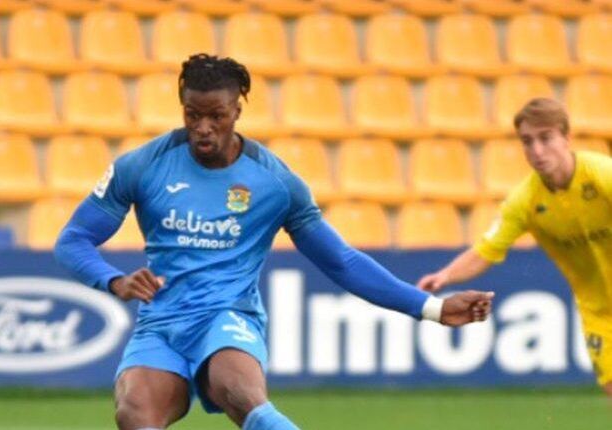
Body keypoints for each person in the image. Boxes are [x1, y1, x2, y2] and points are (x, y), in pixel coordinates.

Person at [55, 53, 494, 430]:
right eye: (193, 115)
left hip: (226, 318)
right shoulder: (143, 166)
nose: (204, 128)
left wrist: (431, 308)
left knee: (241, 394)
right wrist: (114, 281)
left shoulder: (275, 184)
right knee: (133, 414)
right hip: (162, 324)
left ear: (238, 110)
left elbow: (340, 261)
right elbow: (74, 240)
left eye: (217, 116)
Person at [417, 97, 612, 396]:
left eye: (546, 138)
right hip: (600, 314)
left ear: (566, 137)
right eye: (527, 141)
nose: (536, 151)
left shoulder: (601, 175)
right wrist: (446, 276)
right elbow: (487, 248)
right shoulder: (526, 201)